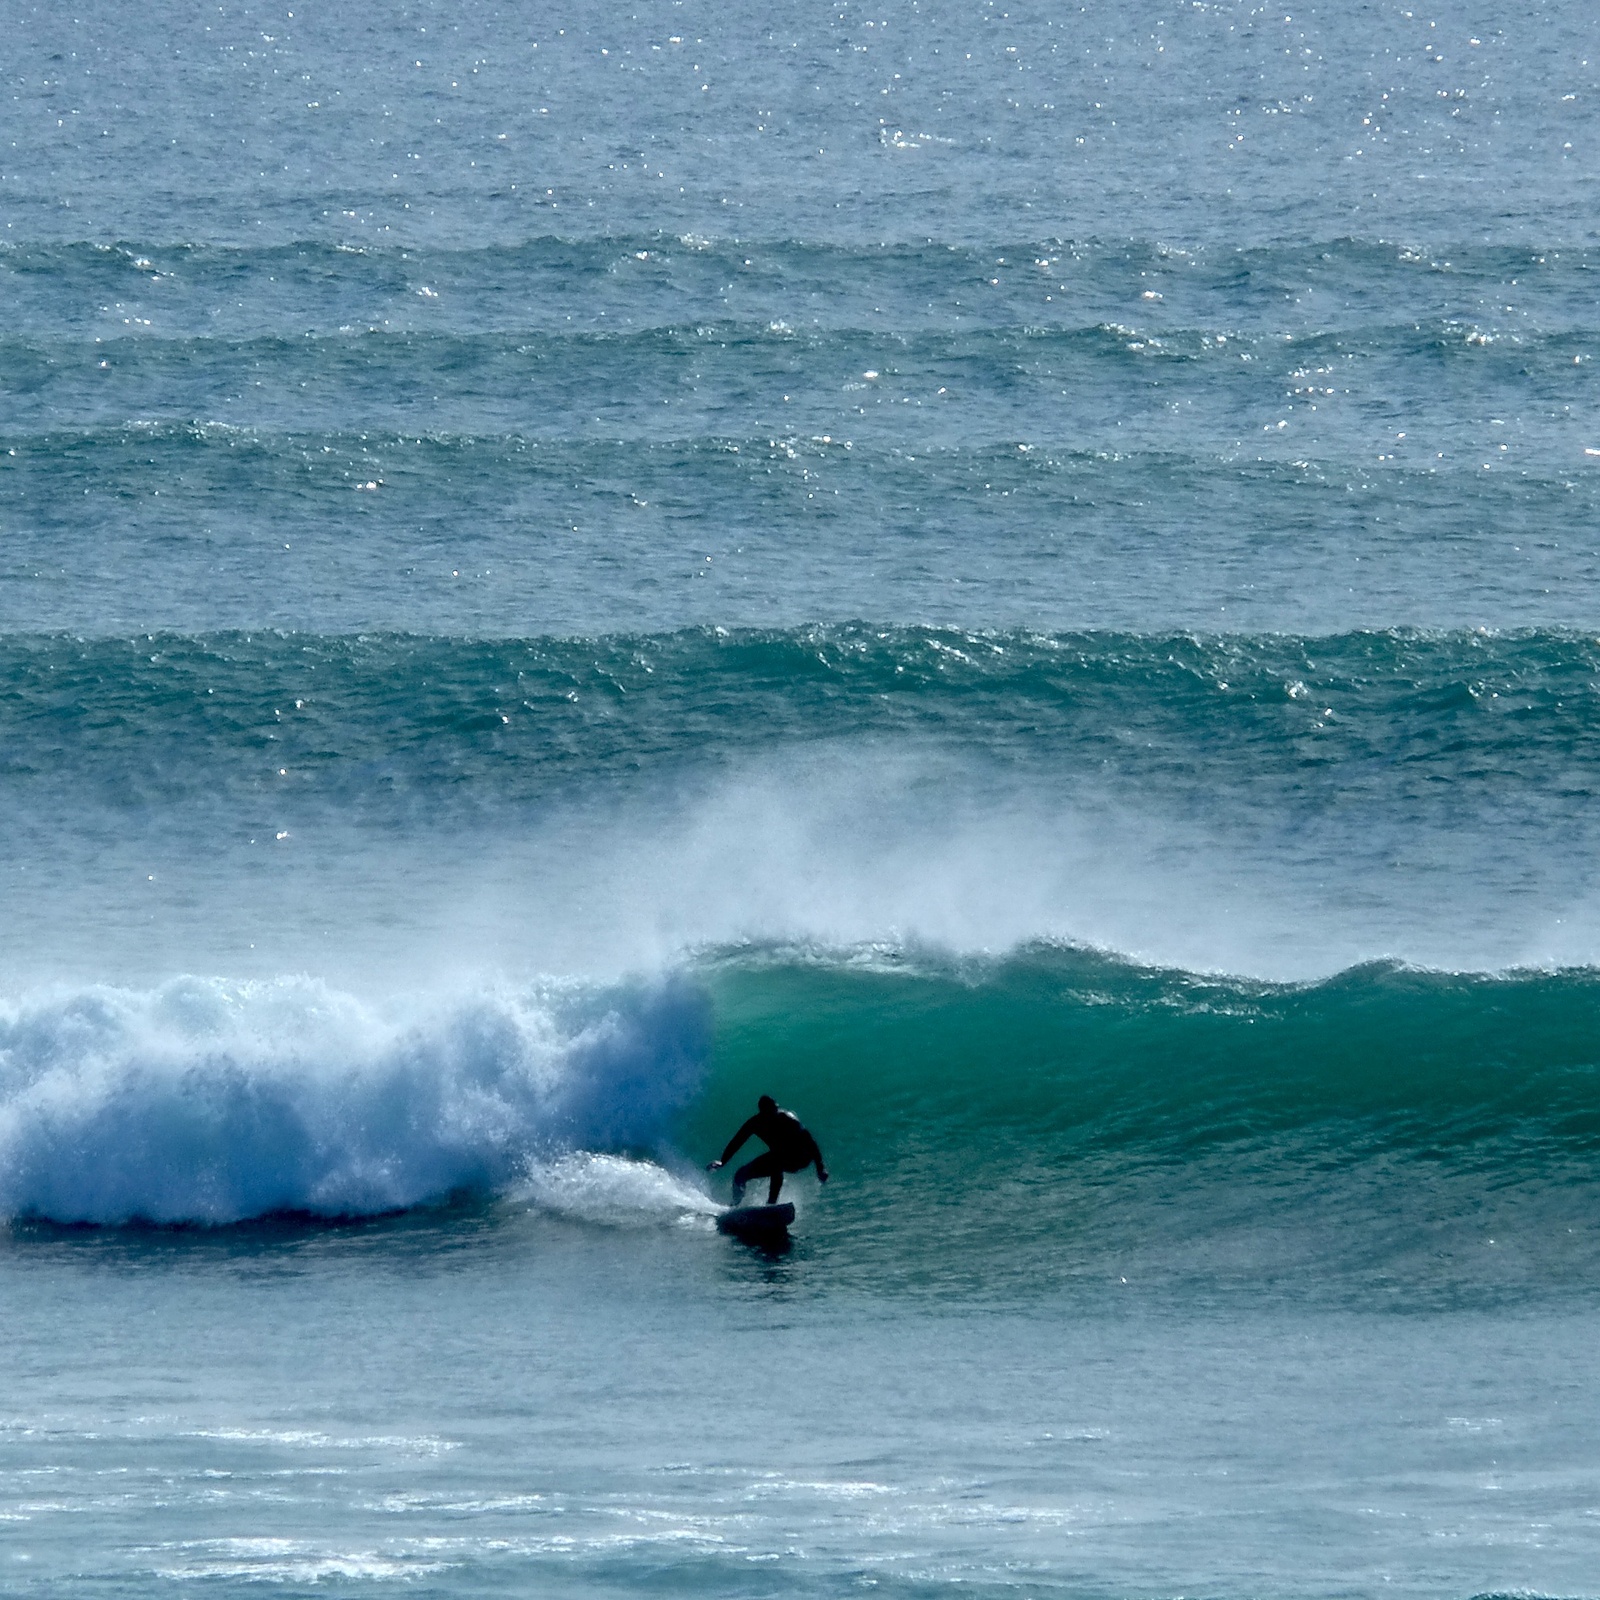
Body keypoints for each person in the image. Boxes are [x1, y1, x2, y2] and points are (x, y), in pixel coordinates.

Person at [708, 1095, 829, 1205]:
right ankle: (734, 1207)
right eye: (772, 1110)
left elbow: (810, 1142)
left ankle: (771, 1203)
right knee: (740, 1175)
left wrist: (820, 1167)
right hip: (779, 1157)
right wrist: (722, 1161)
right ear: (764, 1112)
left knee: (776, 1160)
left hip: (801, 1157)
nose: (776, 1112)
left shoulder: (788, 1119)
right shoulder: (755, 1123)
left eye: (776, 1108)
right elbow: (737, 1142)